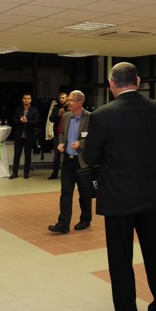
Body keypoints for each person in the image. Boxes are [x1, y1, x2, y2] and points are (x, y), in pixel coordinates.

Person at [83, 62, 156, 311]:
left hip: (118, 197)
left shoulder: (102, 115)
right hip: (153, 194)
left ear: (112, 84)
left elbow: (90, 156)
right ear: (138, 80)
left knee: (121, 260)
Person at [47, 90, 93, 234]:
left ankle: (85, 220)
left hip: (82, 162)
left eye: (71, 100)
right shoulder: (66, 116)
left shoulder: (90, 117)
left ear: (80, 102)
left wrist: (81, 143)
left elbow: (94, 137)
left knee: (84, 194)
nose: (68, 103)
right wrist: (61, 143)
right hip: (67, 160)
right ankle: (63, 223)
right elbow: (62, 133)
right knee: (66, 192)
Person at [9, 93, 40, 179]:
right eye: (25, 98)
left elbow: (37, 122)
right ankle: (14, 173)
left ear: (31, 100)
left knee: (28, 155)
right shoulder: (18, 109)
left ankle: (26, 173)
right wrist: (20, 121)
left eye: (28, 98)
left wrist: (27, 121)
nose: (26, 100)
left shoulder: (34, 110)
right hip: (19, 135)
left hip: (29, 135)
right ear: (22, 100)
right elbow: (13, 121)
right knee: (17, 155)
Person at [47, 92, 68, 180]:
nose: (61, 99)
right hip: (57, 134)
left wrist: (66, 113)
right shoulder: (56, 107)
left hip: (67, 134)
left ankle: (66, 174)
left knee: (67, 155)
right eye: (60, 98)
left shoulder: (70, 107)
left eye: (63, 98)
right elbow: (51, 119)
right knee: (56, 155)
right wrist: (58, 114)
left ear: (67, 98)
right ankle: (54, 173)